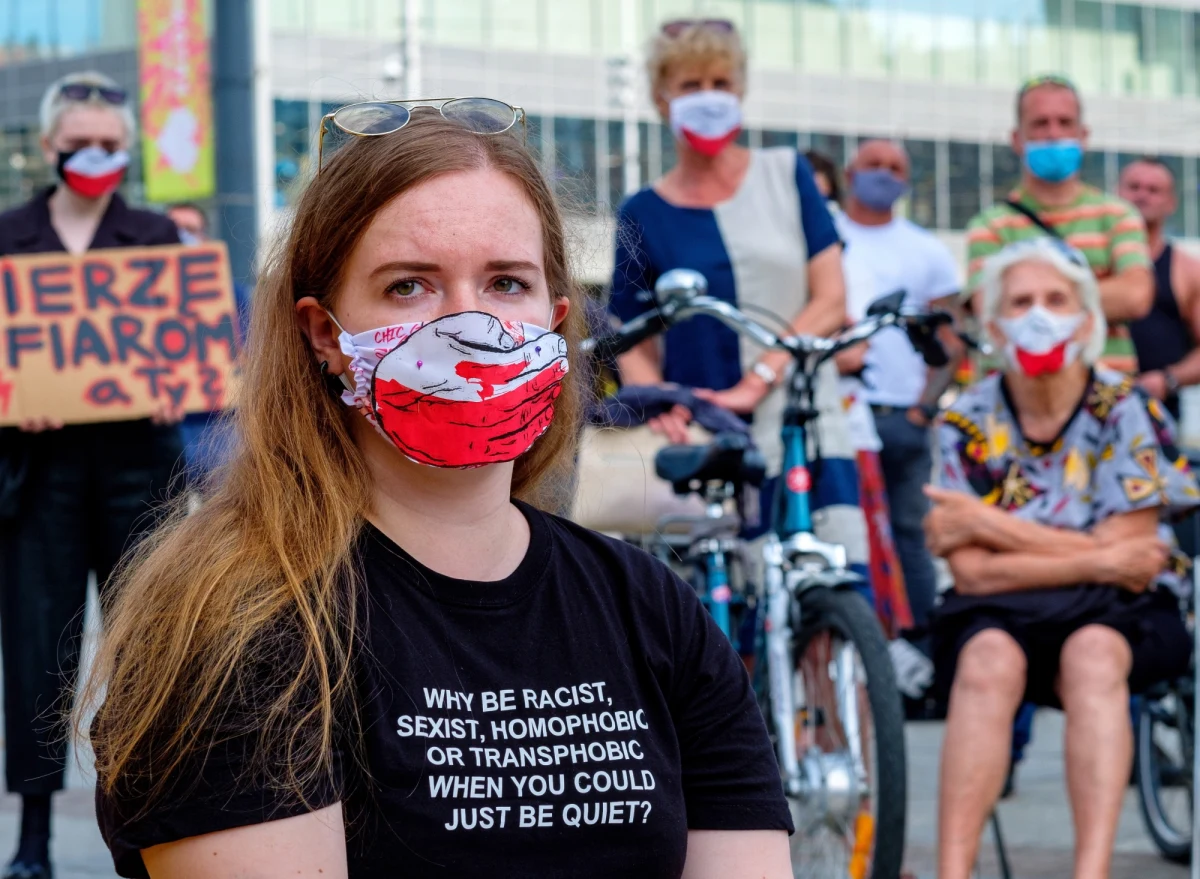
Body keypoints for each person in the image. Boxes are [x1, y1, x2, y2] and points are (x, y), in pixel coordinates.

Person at [83, 108, 795, 877]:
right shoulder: (239, 624)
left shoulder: (652, 610)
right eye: (410, 286)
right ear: (325, 335)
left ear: (556, 322)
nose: (471, 324)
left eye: (506, 283)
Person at [925, 237, 1197, 878]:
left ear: (1086, 319)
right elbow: (972, 573)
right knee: (987, 657)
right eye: (1020, 301)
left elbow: (1135, 557)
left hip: (1125, 610)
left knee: (1093, 652)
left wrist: (989, 522)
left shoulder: (1124, 406)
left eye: (1056, 299)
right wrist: (1097, 554)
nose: (1039, 315)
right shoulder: (964, 419)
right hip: (1000, 609)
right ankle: (952, 872)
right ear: (992, 324)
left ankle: (1090, 873)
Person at [0, 72, 183, 879]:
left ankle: (142, 824)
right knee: (38, 654)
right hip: (36, 477)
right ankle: (32, 841)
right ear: (48, 149)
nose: (96, 157)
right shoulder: (7, 235)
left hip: (137, 468)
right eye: (80, 145)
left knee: (144, 653)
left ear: (130, 150)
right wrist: (13, 399)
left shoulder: (156, 235)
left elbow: (187, 354)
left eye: (110, 145)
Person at [608, 20, 868, 584]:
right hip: (705, 427)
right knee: (728, 605)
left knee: (828, 587)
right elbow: (630, 332)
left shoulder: (789, 174)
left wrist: (761, 378)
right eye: (691, 83)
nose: (709, 97)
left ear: (742, 91)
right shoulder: (641, 211)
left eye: (721, 82)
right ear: (661, 98)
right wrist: (663, 401)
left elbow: (830, 298)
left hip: (802, 412)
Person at [835, 139, 963, 656]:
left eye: (896, 168)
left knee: (910, 534)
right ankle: (860, 647)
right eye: (874, 166)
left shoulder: (926, 250)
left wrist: (923, 408)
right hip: (839, 411)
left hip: (900, 416)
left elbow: (951, 341)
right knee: (846, 527)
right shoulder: (826, 236)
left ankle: (921, 653)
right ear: (850, 173)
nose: (885, 175)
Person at [965, 74, 1153, 375]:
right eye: (1040, 124)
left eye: (1065, 123)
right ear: (1017, 138)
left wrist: (1026, 302)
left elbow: (1136, 297)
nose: (1054, 134)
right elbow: (990, 308)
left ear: (1083, 135)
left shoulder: (1118, 215)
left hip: (1102, 403)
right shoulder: (989, 225)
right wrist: (1090, 294)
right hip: (1012, 404)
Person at [806, 149, 917, 647]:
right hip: (772, 422)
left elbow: (854, 352)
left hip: (844, 429)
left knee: (851, 554)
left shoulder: (844, 249)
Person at [166, 202, 251, 485]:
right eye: (172, 230)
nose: (181, 237)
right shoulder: (140, 298)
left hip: (220, 427)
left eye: (189, 230)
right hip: (166, 424)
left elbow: (250, 350)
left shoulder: (230, 292)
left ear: (204, 238)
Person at [1118, 158, 1200, 421]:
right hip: (1085, 410)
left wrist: (1168, 380)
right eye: (1134, 187)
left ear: (1171, 202)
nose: (1142, 196)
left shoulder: (1187, 271)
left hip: (1155, 416)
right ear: (1117, 194)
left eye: (1153, 190)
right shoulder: (1091, 263)